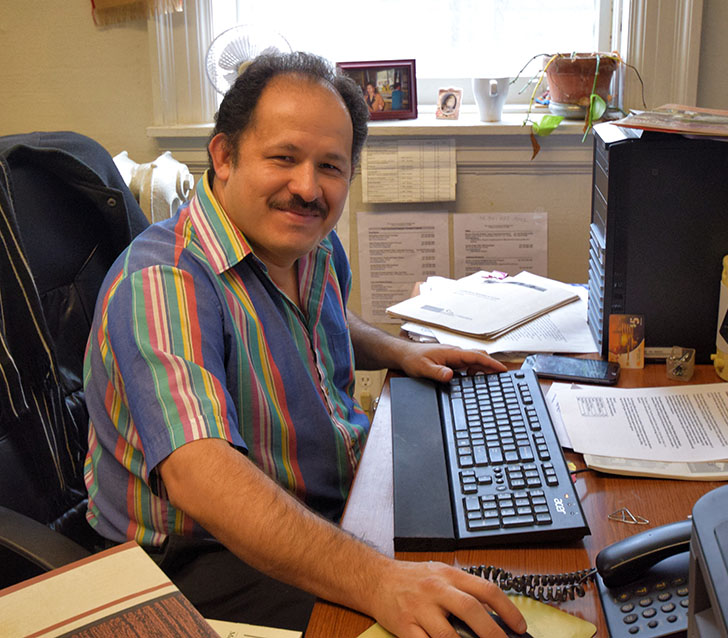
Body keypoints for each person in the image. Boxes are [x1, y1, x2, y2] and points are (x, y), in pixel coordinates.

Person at [82, 51, 527, 638]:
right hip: (198, 559)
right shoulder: (164, 281)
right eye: (283, 158)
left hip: (323, 504)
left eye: (331, 166)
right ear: (224, 156)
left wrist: (400, 351)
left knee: (504, 552)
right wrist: (378, 580)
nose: (308, 187)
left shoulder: (314, 250)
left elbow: (325, 322)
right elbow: (203, 477)